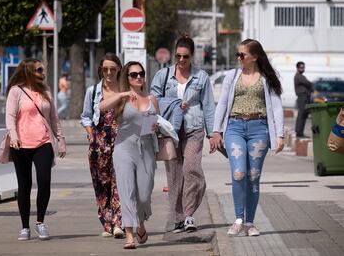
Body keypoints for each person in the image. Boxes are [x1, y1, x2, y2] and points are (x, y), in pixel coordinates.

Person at [210, 39, 284, 237]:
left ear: (254, 56)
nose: (238, 58)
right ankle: (238, 219)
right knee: (239, 174)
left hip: (259, 129)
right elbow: (223, 104)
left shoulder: (267, 78)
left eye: (242, 55)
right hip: (234, 127)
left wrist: (280, 134)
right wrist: (216, 131)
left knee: (253, 177)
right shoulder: (232, 75)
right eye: (238, 54)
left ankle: (250, 223)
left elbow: (276, 107)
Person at [150, 35, 216, 233]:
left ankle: (189, 214)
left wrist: (213, 134)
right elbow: (153, 100)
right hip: (170, 130)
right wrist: (174, 104)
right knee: (175, 176)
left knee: (191, 169)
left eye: (185, 57)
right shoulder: (163, 75)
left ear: (192, 56)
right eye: (177, 56)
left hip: (194, 128)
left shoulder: (201, 77)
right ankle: (178, 218)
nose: (180, 60)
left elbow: (209, 107)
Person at [0, 58, 66, 241]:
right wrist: (14, 136)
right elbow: (10, 117)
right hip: (20, 144)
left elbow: (54, 118)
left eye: (42, 69)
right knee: (24, 185)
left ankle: (40, 223)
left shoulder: (46, 91)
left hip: (43, 142)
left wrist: (61, 140)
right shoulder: (16, 91)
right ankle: (25, 227)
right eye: (39, 70)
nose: (42, 73)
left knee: (44, 181)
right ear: (28, 71)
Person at [100, 61, 159, 249]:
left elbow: (158, 122)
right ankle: (129, 235)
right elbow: (101, 106)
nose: (139, 77)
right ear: (127, 77)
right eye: (134, 75)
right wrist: (123, 94)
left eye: (141, 74)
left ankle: (141, 222)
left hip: (147, 149)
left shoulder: (152, 98)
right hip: (124, 148)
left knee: (143, 195)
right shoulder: (123, 98)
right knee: (127, 192)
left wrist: (156, 126)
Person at [80, 53, 124, 239]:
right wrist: (91, 135)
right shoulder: (93, 91)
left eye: (113, 69)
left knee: (119, 182)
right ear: (100, 70)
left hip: (121, 142)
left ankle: (119, 224)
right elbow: (86, 116)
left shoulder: (124, 90)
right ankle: (107, 222)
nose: (109, 72)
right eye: (105, 69)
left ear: (119, 70)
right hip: (99, 145)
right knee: (102, 184)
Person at [294, 61, 313, 138]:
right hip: (302, 98)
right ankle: (299, 133)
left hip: (305, 98)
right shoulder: (298, 76)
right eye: (301, 67)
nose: (303, 69)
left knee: (304, 115)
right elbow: (308, 83)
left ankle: (300, 132)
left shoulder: (302, 76)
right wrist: (311, 85)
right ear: (298, 68)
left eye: (303, 67)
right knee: (301, 115)